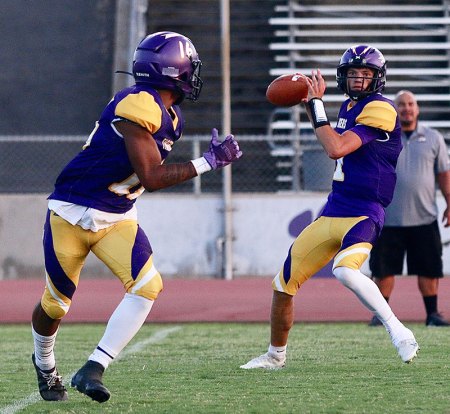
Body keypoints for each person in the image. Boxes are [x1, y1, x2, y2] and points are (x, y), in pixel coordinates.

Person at [31, 31, 242, 402]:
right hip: (73, 210)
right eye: (189, 67)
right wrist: (207, 163)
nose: (193, 74)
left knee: (147, 286)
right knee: (56, 304)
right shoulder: (139, 103)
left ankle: (93, 368)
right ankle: (45, 363)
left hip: (117, 215)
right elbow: (152, 177)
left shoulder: (172, 115)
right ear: (173, 71)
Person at [241, 45, 419, 370]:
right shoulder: (349, 106)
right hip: (334, 209)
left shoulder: (382, 108)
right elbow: (329, 139)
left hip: (364, 211)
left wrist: (318, 105)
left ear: (377, 78)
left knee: (345, 270)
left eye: (365, 74)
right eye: (353, 73)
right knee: (283, 284)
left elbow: (336, 149)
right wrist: (311, 106)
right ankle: (275, 356)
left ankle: (399, 330)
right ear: (343, 76)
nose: (359, 79)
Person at [369, 90, 450, 327]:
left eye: (411, 104)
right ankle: (380, 316)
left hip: (424, 217)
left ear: (417, 108)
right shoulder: (380, 137)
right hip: (387, 217)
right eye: (401, 104)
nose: (406, 108)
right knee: (383, 270)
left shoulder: (434, 138)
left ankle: (432, 314)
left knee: (429, 269)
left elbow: (444, 173)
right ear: (393, 109)